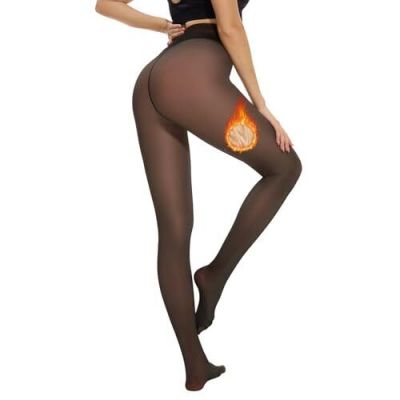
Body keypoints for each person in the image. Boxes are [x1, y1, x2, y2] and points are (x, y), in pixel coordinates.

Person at [95, 0, 302, 391]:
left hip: (152, 82)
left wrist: (162, 26)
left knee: (173, 231)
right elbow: (230, 28)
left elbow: (105, 4)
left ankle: (195, 366)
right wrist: (261, 105)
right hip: (190, 79)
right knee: (284, 168)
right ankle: (215, 275)